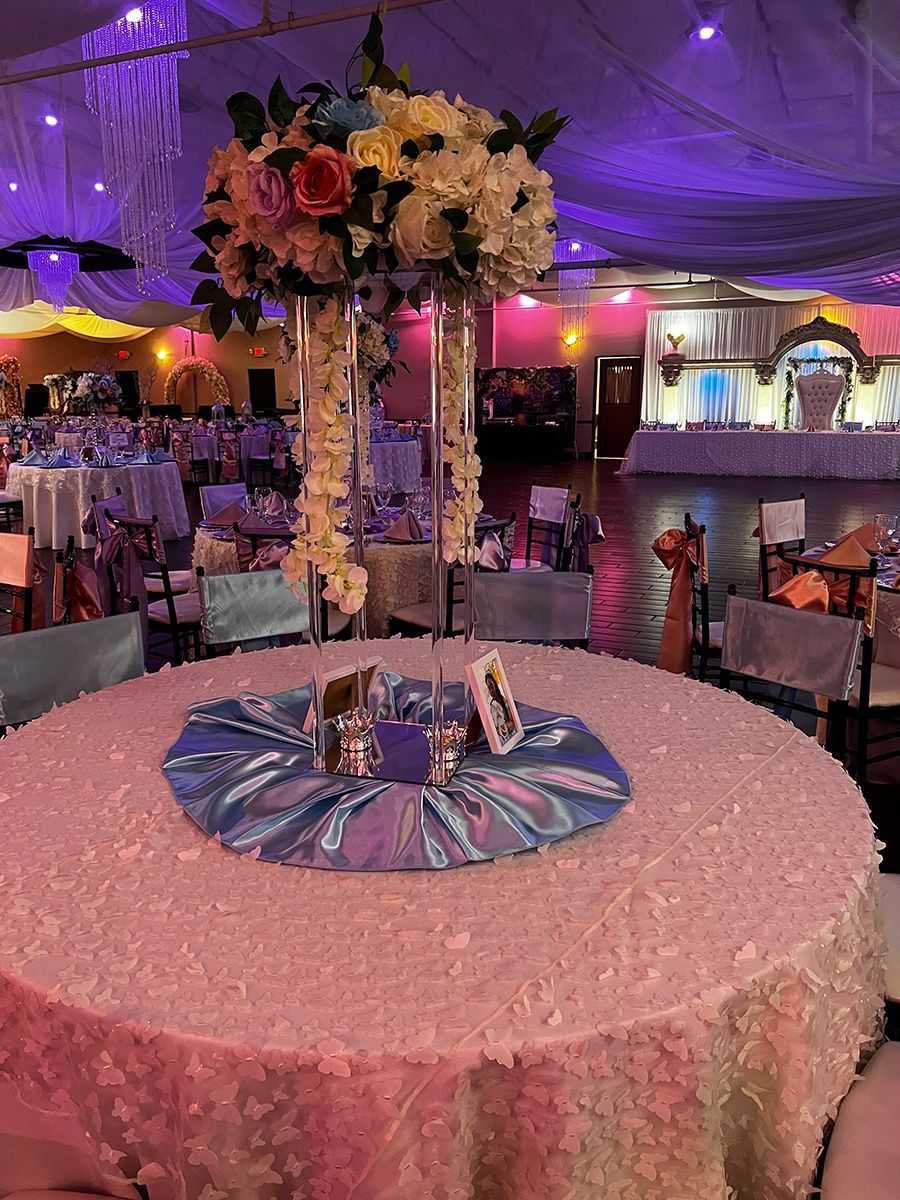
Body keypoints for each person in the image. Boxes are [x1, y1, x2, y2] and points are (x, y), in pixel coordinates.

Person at [485, 667, 514, 742]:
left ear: (495, 684)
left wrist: (507, 725)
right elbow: (496, 729)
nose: (491, 690)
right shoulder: (492, 705)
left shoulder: (503, 699)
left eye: (491, 686)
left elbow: (512, 721)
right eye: (489, 688)